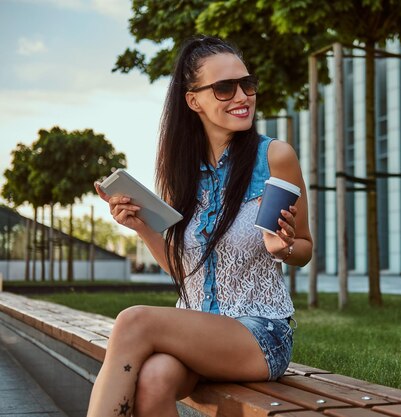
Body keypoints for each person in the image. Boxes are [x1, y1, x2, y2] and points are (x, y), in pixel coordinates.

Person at [88, 35, 312, 417]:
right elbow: (183, 269)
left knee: (133, 320)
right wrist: (143, 228)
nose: (242, 96)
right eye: (225, 88)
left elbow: (304, 247)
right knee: (154, 379)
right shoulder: (182, 172)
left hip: (260, 335)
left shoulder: (275, 156)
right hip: (196, 329)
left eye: (247, 84)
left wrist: (284, 248)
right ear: (194, 100)